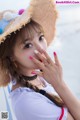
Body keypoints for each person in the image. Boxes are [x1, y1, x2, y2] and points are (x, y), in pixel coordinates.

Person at [0, 0, 78, 120]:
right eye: (28, 45)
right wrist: (59, 84)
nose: (41, 49)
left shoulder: (39, 77)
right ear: (11, 56)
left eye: (41, 37)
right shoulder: (27, 102)